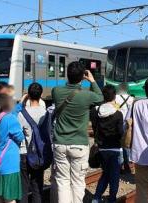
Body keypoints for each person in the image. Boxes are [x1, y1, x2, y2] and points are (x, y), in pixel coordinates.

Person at [52, 61, 103, 203]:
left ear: (67, 75)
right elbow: (100, 97)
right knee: (78, 182)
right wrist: (92, 81)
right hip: (79, 145)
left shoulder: (56, 91)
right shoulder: (87, 95)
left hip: (60, 144)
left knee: (62, 181)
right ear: (82, 77)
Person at [0, 94, 25, 203]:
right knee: (10, 198)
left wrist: (20, 103)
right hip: (10, 164)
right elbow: (20, 136)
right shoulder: (9, 118)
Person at [90, 85, 124, 203]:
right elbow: (121, 133)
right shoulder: (118, 114)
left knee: (106, 173)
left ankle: (96, 198)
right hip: (115, 149)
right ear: (114, 96)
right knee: (114, 176)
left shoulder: (95, 112)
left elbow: (94, 127)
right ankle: (111, 199)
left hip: (102, 148)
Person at [18, 83, 47, 203]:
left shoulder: (21, 114)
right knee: (37, 186)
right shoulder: (46, 113)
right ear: (41, 96)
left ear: (28, 95)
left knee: (23, 187)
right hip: (40, 154)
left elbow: (18, 135)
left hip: (24, 153)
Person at [115, 82, 134, 174]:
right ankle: (127, 165)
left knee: (119, 145)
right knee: (126, 144)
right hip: (127, 125)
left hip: (118, 123)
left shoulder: (116, 98)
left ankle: (119, 166)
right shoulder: (131, 99)